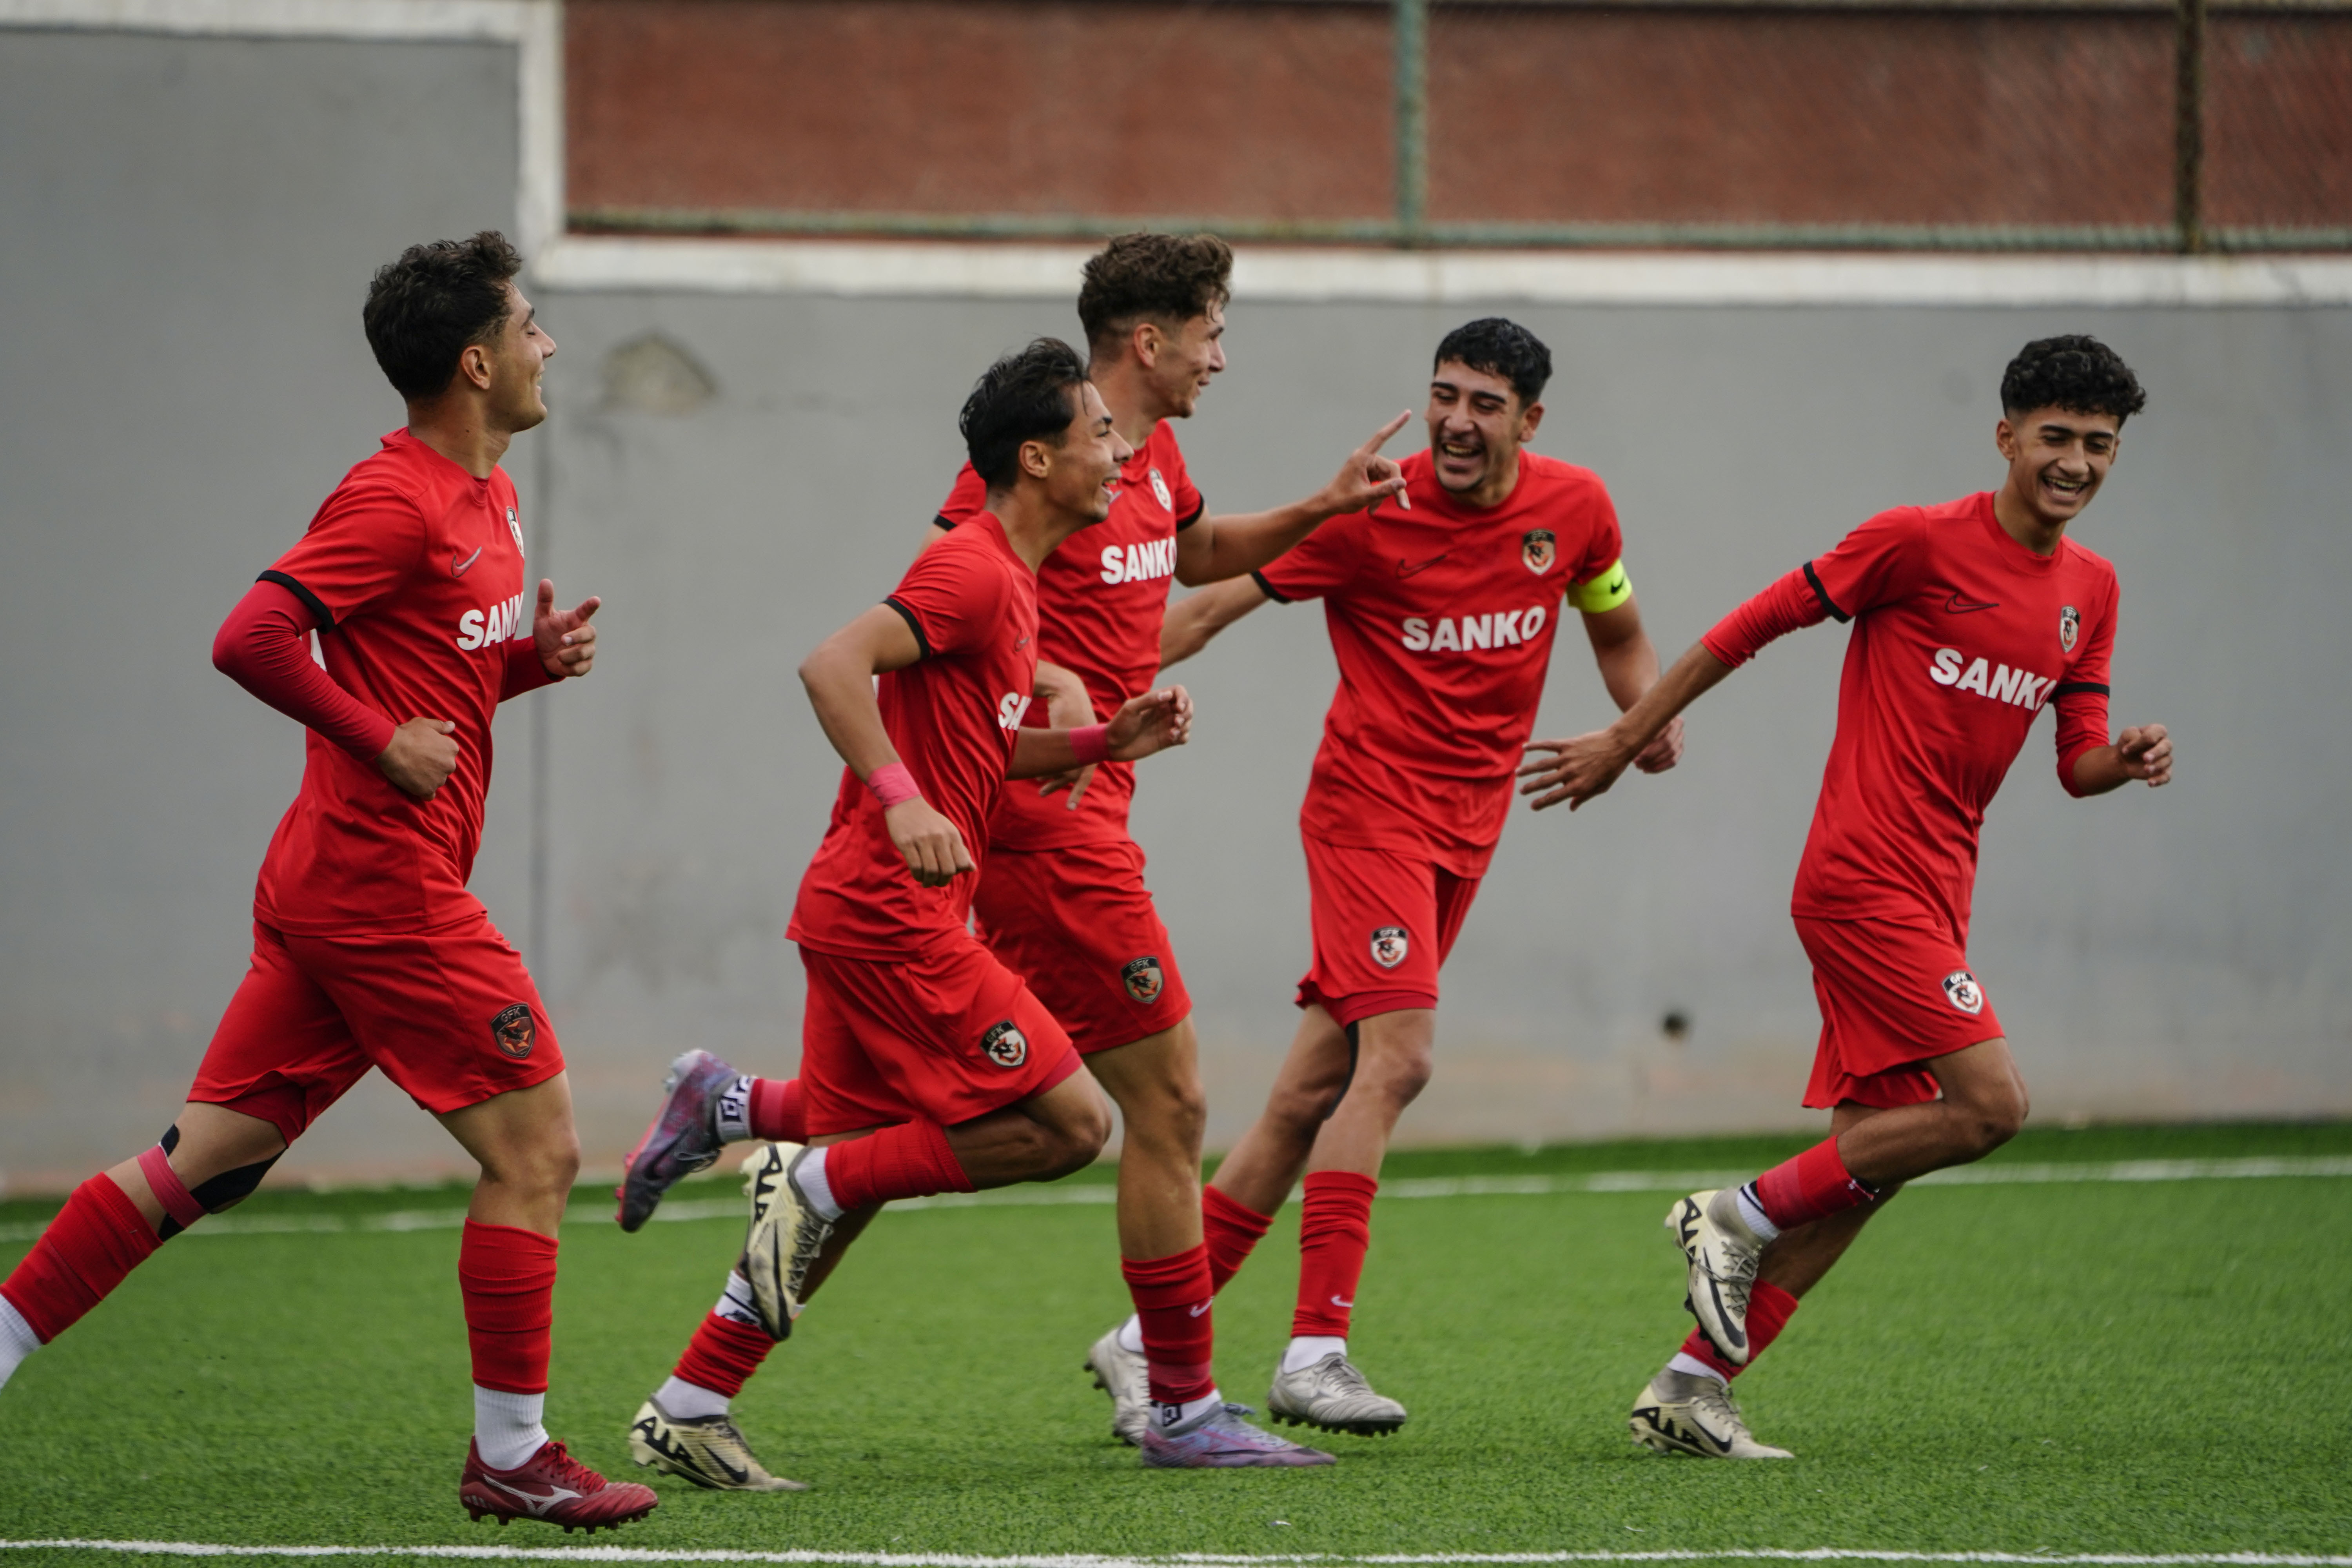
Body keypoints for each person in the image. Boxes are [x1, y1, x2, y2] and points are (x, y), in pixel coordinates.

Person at [616, 234, 1405, 1461]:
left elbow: (1181, 563)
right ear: (1149, 342)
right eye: (1212, 333)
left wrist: (1308, 520)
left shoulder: (1138, 469)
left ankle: (697, 1373)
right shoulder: (1009, 523)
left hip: (1012, 818)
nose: (1221, 358)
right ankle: (1178, 1396)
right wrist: (1009, 718)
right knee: (1148, 1107)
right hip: (1034, 842)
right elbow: (928, 611)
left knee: (874, 1128)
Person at [0, 233, 655, 1532]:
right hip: (380, 884)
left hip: (334, 886)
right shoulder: (396, 497)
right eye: (529, 324)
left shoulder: (490, 499)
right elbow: (250, 637)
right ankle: (513, 1455)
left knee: (206, 1161)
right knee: (539, 1149)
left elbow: (424, 669)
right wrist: (379, 741)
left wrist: (526, 665)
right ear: (476, 362)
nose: (549, 342)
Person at [1515, 334, 2171, 1460]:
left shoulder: (2092, 590)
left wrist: (2129, 757)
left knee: (1872, 1163)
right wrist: (1626, 737)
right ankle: (1734, 1212)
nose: (2075, 462)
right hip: (1862, 877)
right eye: (2055, 437)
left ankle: (1692, 1389)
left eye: (2098, 445)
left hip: (1940, 890)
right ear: (2006, 437)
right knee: (1992, 1109)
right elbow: (1751, 625)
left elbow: (2077, 760)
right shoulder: (1916, 541)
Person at [1151, 317, 1682, 1437]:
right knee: (1400, 1062)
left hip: (1467, 834)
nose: (1455, 421)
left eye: (1485, 404)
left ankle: (1150, 1341)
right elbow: (1204, 610)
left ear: (1531, 421)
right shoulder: (1371, 516)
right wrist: (1057, 677)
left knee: (1309, 1095)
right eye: (1445, 395)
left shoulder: (1578, 509)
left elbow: (1619, 630)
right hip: (1367, 818)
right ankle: (1315, 1351)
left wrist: (1640, 721)